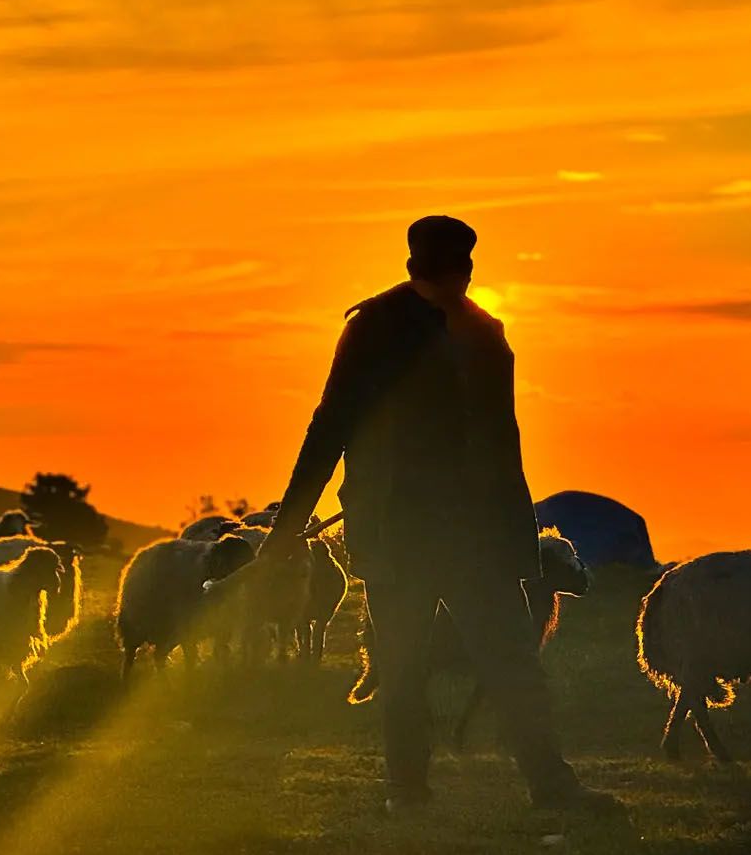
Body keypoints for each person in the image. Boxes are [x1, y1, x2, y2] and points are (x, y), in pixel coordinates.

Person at [259, 215, 624, 819]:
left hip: (475, 534)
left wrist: (515, 534)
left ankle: (550, 788)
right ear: (447, 266)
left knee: (511, 662)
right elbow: (332, 423)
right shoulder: (375, 328)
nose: (462, 275)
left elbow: (502, 443)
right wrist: (288, 521)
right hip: (398, 532)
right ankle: (408, 791)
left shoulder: (485, 333)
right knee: (404, 666)